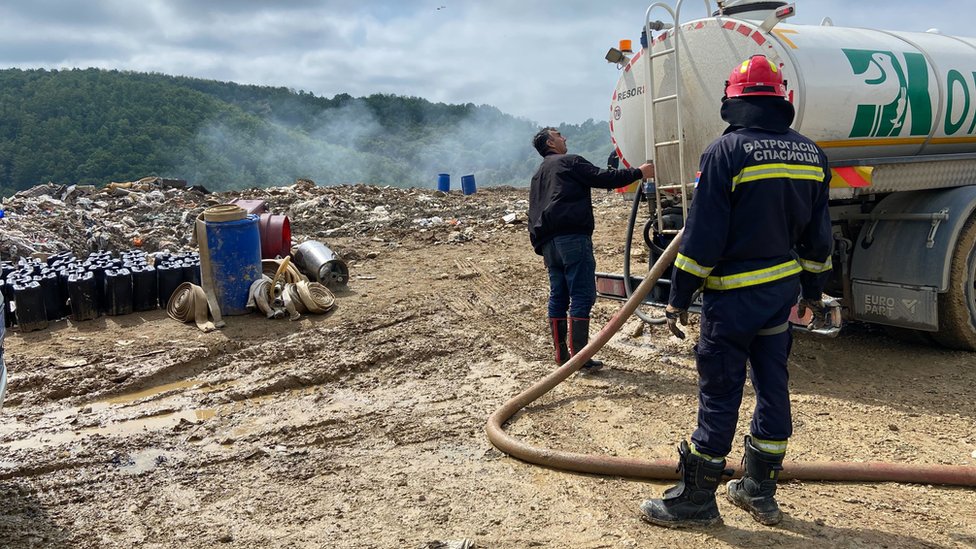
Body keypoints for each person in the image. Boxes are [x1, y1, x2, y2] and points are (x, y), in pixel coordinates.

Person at [639, 55, 833, 528]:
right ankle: (758, 491)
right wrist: (812, 290)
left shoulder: (725, 152)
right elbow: (819, 239)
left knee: (721, 392)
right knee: (773, 386)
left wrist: (678, 297)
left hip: (733, 299)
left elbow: (703, 237)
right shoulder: (812, 154)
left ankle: (696, 501)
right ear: (781, 98)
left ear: (733, 100)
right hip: (779, 296)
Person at [528, 127, 654, 371]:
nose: (564, 138)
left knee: (558, 295)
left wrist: (540, 244)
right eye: (558, 135)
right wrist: (639, 172)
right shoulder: (569, 162)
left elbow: (533, 210)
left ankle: (562, 356)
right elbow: (603, 178)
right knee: (582, 295)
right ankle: (580, 359)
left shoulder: (538, 174)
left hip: (547, 243)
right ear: (550, 143)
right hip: (572, 238)